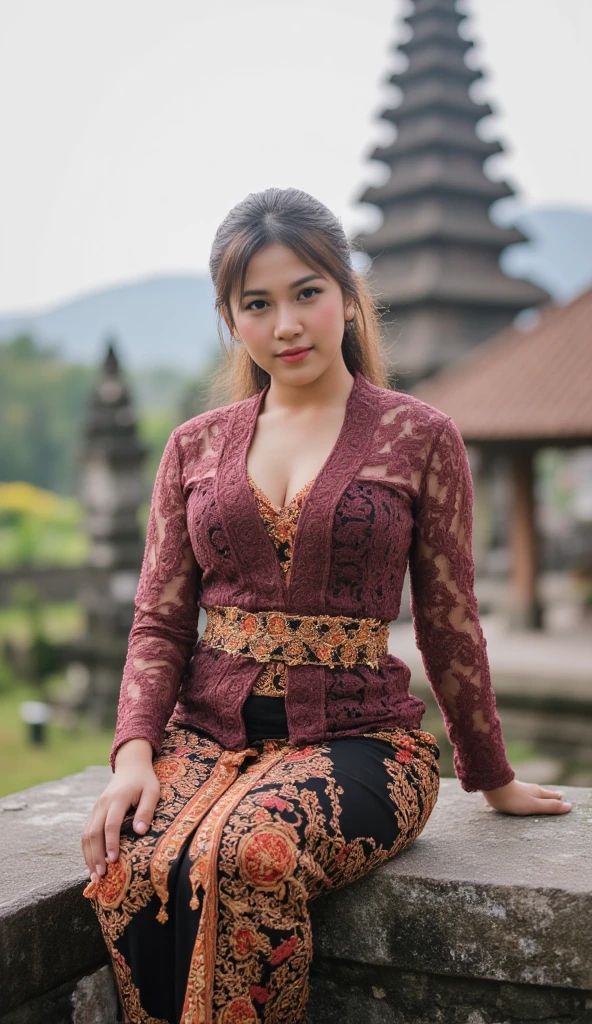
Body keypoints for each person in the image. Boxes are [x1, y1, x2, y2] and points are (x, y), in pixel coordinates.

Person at [81, 187, 572, 1024]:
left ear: (347, 294)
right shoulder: (194, 447)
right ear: (229, 317)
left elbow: (450, 621)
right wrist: (133, 755)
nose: (287, 326)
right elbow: (161, 619)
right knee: (126, 860)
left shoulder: (418, 437)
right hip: (206, 738)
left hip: (363, 742)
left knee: (254, 851)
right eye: (257, 304)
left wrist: (489, 775)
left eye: (307, 292)